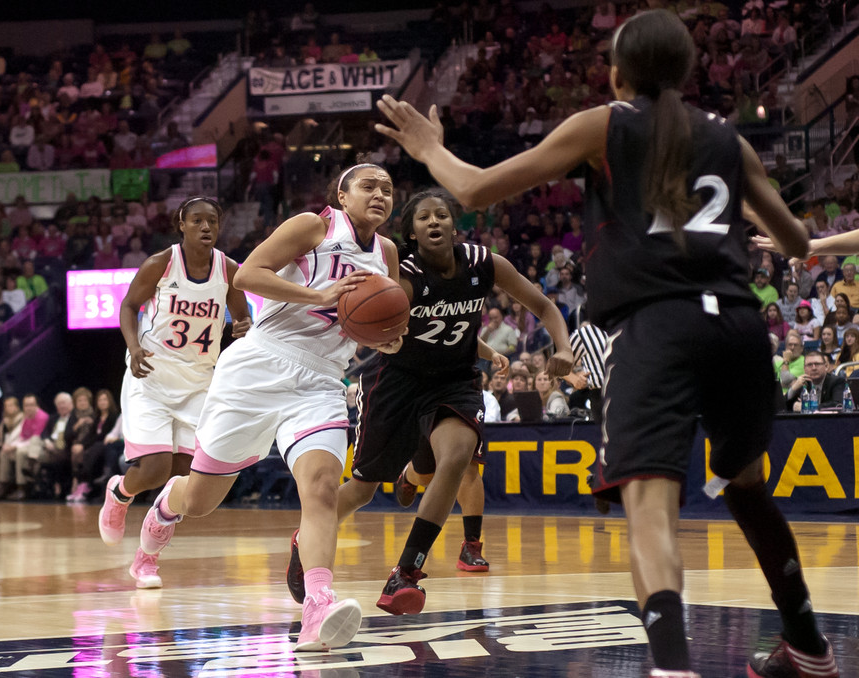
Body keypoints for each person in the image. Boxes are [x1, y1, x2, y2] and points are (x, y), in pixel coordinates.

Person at [376, 10, 837, 677]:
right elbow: (795, 243)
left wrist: (426, 149)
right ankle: (809, 646)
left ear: (618, 73)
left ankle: (672, 666)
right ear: (685, 71)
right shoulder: (727, 138)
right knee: (746, 485)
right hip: (739, 326)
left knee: (650, 504)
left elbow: (474, 187)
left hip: (659, 325)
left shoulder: (608, 122)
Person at [136, 163, 401, 652]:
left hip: (321, 379)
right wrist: (315, 294)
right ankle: (167, 505)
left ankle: (318, 603)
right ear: (342, 196)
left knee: (322, 488)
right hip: (260, 365)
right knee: (201, 501)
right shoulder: (313, 226)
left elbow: (382, 318)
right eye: (368, 186)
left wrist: (386, 338)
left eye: (387, 188)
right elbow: (248, 277)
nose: (380, 194)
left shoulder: (387, 253)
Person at [321, 188, 572, 615]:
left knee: (458, 458)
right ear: (412, 232)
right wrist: (383, 332)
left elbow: (544, 305)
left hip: (454, 381)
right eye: (423, 218)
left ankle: (406, 573)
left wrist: (562, 348)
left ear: (455, 225)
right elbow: (374, 324)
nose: (434, 222)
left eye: (441, 215)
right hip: (398, 380)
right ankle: (308, 536)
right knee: (363, 489)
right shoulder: (402, 275)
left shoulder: (484, 263)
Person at [97, 197, 251, 587]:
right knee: (154, 468)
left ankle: (147, 558)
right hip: (152, 374)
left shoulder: (229, 269)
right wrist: (133, 348)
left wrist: (243, 328)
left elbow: (244, 317)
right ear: (181, 224)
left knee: (184, 481)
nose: (205, 227)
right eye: (197, 220)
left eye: (212, 221)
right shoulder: (161, 263)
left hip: (199, 382)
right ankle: (119, 492)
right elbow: (129, 306)